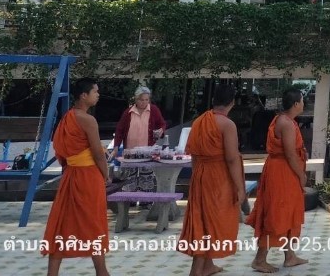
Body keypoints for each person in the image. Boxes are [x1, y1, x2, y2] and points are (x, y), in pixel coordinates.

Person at [41, 78, 110, 276]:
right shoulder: (88, 120)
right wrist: (106, 175)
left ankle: (53, 273)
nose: (98, 95)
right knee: (94, 222)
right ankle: (101, 272)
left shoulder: (68, 117)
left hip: (71, 175)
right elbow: (98, 154)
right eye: (95, 91)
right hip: (89, 176)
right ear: (83, 95)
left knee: (62, 223)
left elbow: (62, 151)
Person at [178, 83, 246, 276]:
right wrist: (240, 188)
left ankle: (208, 265)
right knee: (211, 222)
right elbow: (232, 158)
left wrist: (196, 177)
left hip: (200, 174)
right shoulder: (227, 124)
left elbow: (193, 155)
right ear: (232, 102)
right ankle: (196, 270)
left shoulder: (199, 121)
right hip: (218, 177)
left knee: (202, 219)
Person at [247, 88, 309, 273]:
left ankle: (290, 256)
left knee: (288, 211)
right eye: (302, 100)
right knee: (276, 213)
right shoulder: (286, 123)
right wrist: (302, 175)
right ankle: (259, 259)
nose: (304, 104)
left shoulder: (285, 120)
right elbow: (289, 154)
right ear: (296, 104)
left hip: (284, 171)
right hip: (282, 172)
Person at [112, 85, 167, 192]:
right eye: (141, 100)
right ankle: (129, 198)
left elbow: (162, 124)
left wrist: (161, 130)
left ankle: (145, 199)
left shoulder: (153, 110)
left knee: (146, 178)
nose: (144, 102)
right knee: (129, 179)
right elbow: (119, 130)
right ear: (136, 99)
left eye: (146, 100)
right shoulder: (128, 112)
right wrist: (116, 147)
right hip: (130, 153)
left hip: (147, 152)